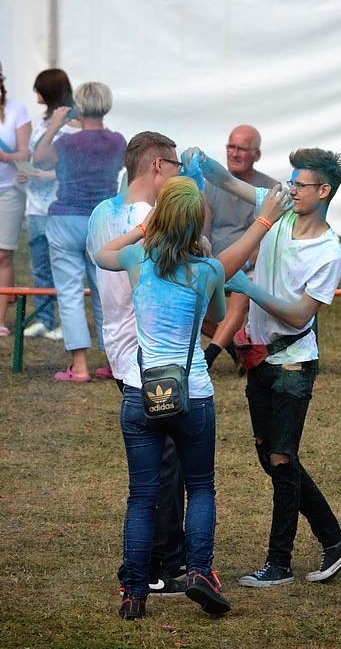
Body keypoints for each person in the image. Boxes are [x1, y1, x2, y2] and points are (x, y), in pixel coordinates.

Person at [95, 175, 289, 619]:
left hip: (141, 392)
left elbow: (101, 254)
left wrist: (144, 230)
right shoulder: (206, 272)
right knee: (200, 486)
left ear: (160, 218)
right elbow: (219, 314)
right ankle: (199, 571)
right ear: (197, 223)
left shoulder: (136, 258)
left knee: (141, 495)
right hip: (193, 392)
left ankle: (134, 591)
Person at [185, 145, 341, 588]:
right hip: (259, 360)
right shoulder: (279, 216)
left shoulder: (329, 252)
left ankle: (278, 564)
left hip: (293, 366)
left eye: (300, 185)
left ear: (323, 191)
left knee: (282, 461)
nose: (291, 190)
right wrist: (206, 166)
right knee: (272, 459)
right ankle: (335, 539)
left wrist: (247, 286)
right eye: (292, 182)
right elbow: (231, 184)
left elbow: (301, 315)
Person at [87, 131, 188, 597]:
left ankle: (154, 559)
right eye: (178, 168)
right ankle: (160, 564)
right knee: (165, 467)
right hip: (151, 354)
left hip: (118, 347)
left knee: (153, 465)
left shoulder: (101, 213)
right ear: (158, 167)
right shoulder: (152, 220)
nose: (182, 177)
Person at [32, 81, 126, 381]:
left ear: (79, 106)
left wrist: (56, 124)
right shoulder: (118, 141)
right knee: (106, 294)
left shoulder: (67, 143)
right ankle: (114, 362)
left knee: (70, 292)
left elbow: (39, 158)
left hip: (66, 218)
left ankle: (80, 365)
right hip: (102, 221)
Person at [203, 124, 277, 370]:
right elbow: (202, 233)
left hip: (248, 265)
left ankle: (208, 356)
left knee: (244, 286)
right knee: (184, 288)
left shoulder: (268, 189)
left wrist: (243, 262)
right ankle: (235, 345)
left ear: (256, 155)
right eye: (231, 147)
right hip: (214, 263)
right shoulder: (209, 186)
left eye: (242, 149)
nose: (234, 153)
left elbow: (266, 240)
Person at [20, 68, 80, 340]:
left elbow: (72, 166)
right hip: (35, 205)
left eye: (38, 89)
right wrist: (28, 172)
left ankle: (65, 323)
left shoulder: (72, 123)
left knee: (63, 267)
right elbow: (36, 157)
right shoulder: (43, 121)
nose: (35, 94)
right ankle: (45, 318)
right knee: (40, 265)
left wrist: (44, 174)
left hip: (58, 205)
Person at [0, 61, 31, 336]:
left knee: (3, 254)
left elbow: (26, 155)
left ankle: (0, 320)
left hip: (9, 190)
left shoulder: (16, 110)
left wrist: (5, 157)